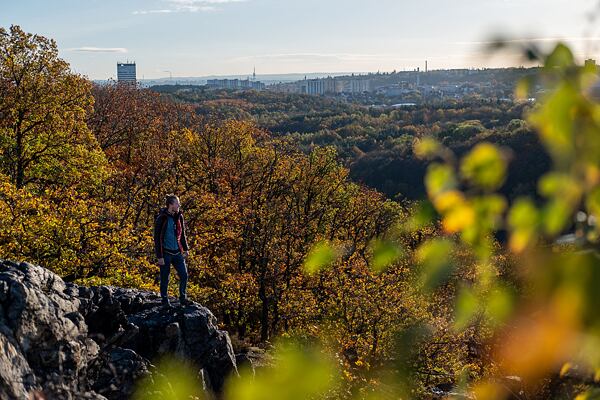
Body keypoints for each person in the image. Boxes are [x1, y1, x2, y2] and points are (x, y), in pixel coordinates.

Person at [153, 194, 190, 307]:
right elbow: (157, 238)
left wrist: (185, 249)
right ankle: (165, 300)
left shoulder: (179, 216)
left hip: (177, 252)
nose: (179, 205)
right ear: (170, 205)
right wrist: (159, 256)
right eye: (177, 203)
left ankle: (183, 298)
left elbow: (182, 234)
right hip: (165, 253)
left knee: (184, 275)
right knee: (165, 278)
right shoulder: (162, 218)